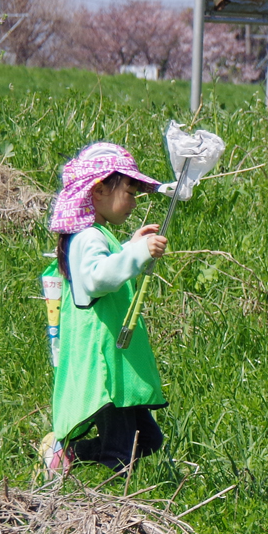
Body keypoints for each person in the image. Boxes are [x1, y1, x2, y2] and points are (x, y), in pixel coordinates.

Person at [39, 143, 169, 476]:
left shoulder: (96, 235)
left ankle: (67, 454)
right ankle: (111, 508)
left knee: (148, 440)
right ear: (98, 191)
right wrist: (138, 254)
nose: (133, 200)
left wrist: (129, 247)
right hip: (105, 367)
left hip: (115, 364)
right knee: (121, 450)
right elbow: (97, 279)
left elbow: (104, 266)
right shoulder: (86, 238)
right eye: (130, 190)